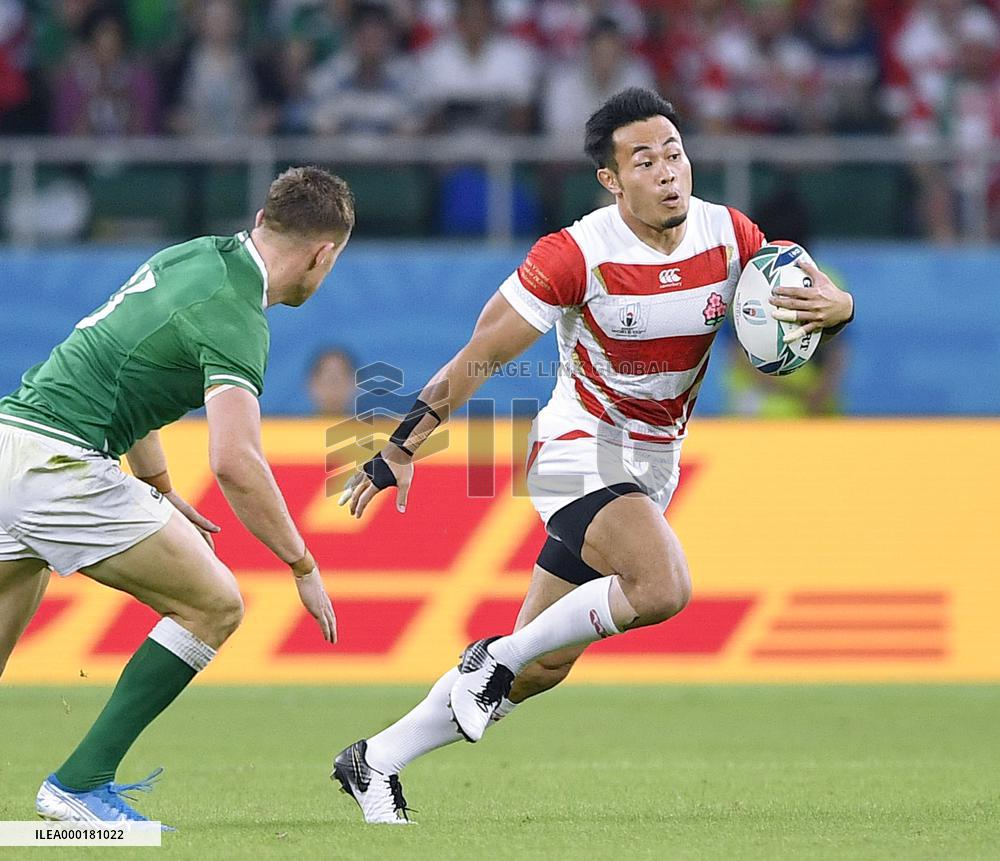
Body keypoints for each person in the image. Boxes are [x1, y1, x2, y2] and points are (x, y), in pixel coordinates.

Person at [332, 88, 854, 824]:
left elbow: (807, 303)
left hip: (653, 464)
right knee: (662, 584)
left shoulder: (733, 237)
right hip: (576, 448)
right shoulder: (578, 253)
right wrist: (400, 445)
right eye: (645, 161)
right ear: (611, 180)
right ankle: (493, 657)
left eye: (675, 153)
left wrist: (842, 309)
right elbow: (482, 353)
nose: (669, 171)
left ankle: (375, 759)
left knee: (542, 663)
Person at [0, 166, 350, 826]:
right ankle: (80, 784)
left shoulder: (194, 256)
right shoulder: (238, 317)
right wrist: (302, 564)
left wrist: (159, 486)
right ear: (322, 253)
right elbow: (236, 461)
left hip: (9, 441)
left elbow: (126, 364)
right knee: (213, 603)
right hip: (59, 463)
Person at [307, 346, 358, 416]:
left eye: (339, 379)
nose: (333, 386)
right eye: (328, 379)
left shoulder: (373, 426)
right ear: (312, 384)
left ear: (354, 384)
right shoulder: (294, 426)